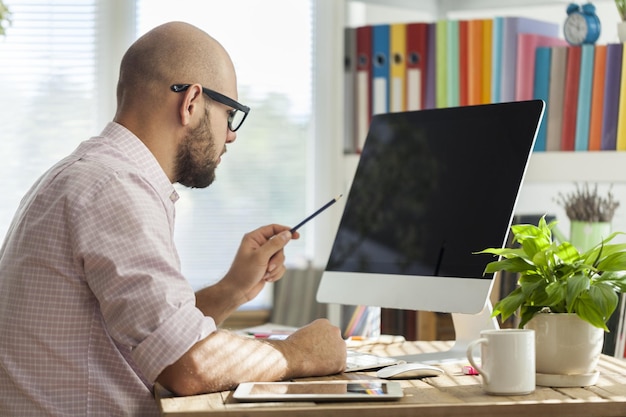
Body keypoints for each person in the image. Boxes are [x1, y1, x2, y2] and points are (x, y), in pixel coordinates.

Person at [0, 21, 346, 416]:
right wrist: (301, 353)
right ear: (192, 102)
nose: (230, 136)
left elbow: (155, 334)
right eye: (229, 115)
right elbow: (189, 365)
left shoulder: (90, 174)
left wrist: (233, 288)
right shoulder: (115, 187)